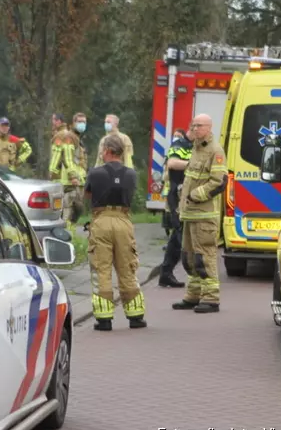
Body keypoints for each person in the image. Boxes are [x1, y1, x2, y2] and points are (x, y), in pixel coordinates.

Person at [84, 134, 147, 331]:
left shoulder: (95, 173)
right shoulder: (131, 174)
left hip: (101, 221)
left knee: (101, 269)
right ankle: (135, 316)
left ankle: (104, 319)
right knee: (127, 267)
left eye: (103, 150)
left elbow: (87, 195)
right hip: (123, 221)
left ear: (108, 151)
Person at [172, 113, 227, 313]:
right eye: (192, 125)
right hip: (190, 213)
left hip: (204, 215)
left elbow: (218, 181)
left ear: (208, 128)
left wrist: (195, 195)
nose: (194, 129)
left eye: (198, 126)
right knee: (189, 257)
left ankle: (211, 298)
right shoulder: (195, 148)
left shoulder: (215, 150)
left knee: (204, 257)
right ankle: (193, 295)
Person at [159, 127, 193, 288]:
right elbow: (172, 163)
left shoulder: (196, 145)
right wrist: (193, 165)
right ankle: (193, 272)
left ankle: (166, 273)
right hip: (177, 195)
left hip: (187, 195)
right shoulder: (180, 144)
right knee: (181, 235)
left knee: (176, 237)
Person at [63, 112, 88, 230]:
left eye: (84, 122)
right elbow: (68, 159)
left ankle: (70, 234)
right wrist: (73, 176)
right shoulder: (69, 138)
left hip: (79, 182)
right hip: (71, 182)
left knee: (77, 210)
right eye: (79, 121)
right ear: (73, 123)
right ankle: (65, 236)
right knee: (68, 211)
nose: (82, 124)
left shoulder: (79, 139)